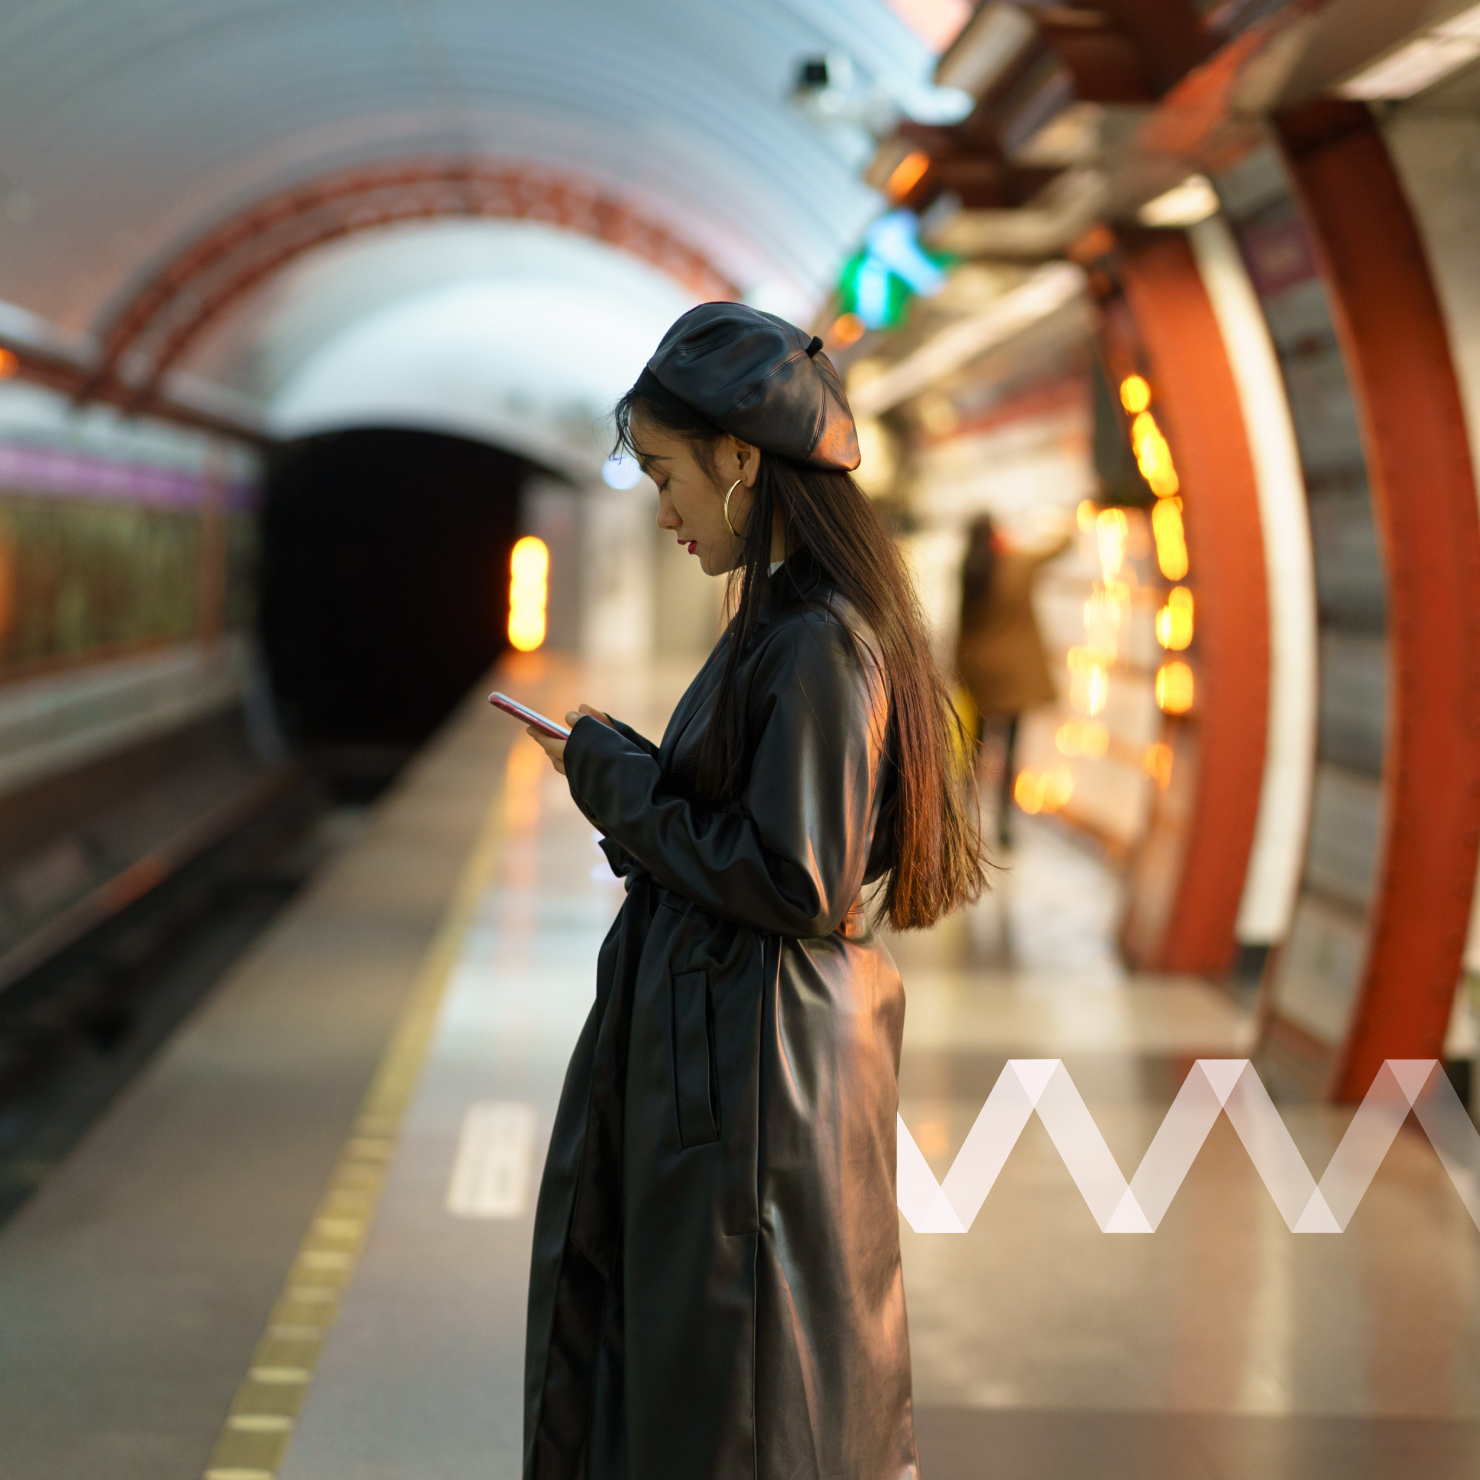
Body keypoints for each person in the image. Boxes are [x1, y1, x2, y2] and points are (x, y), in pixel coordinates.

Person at [520, 303, 989, 1480]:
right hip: (745, 1068)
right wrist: (630, 768)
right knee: (719, 1398)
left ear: (741, 460)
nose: (665, 510)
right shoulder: (789, 623)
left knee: (744, 1406)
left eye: (671, 477)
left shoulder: (815, 640)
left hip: (755, 1091)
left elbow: (792, 874)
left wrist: (617, 787)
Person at [955, 513, 1070, 848]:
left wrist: (959, 675)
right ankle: (1004, 826)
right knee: (1011, 751)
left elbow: (961, 626)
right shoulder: (1016, 564)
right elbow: (1061, 546)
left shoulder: (970, 572)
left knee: (976, 749)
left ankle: (962, 817)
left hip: (981, 678)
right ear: (995, 536)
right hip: (1015, 678)